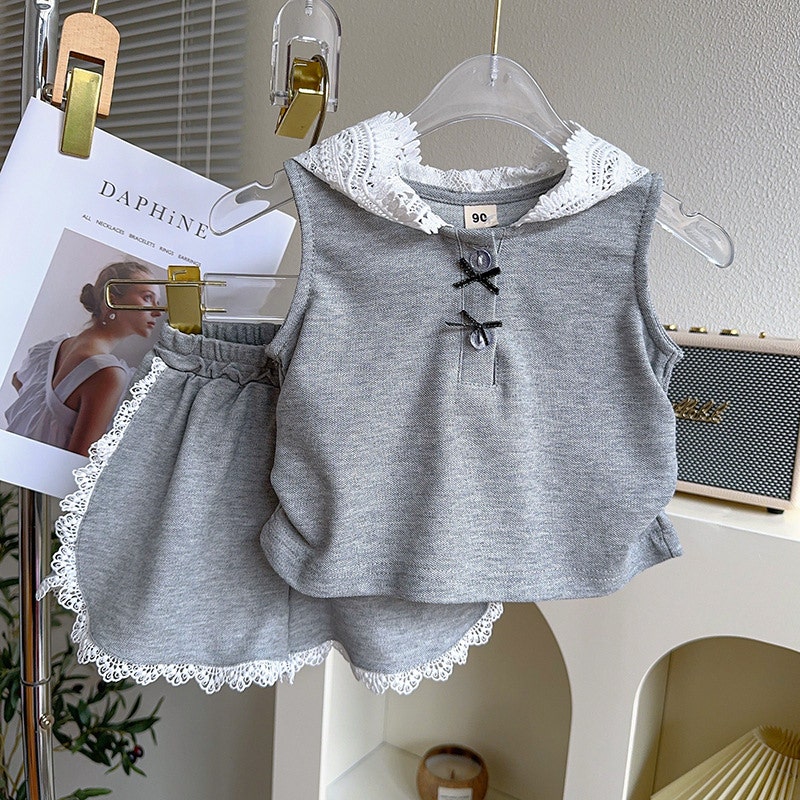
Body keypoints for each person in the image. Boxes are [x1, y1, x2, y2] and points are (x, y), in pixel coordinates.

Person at [5, 261, 162, 456]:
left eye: (157, 302)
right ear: (113, 299)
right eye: (147, 298)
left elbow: (18, 380)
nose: (157, 312)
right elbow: (77, 461)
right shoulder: (107, 373)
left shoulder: (54, 347)